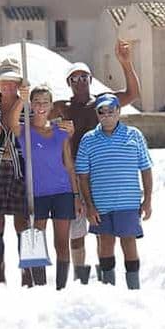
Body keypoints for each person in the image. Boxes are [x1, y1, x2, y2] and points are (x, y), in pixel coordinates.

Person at [49, 38, 140, 284]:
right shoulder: (62, 106)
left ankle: (105, 276)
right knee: (77, 230)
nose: (80, 82)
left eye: (84, 77)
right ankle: (81, 277)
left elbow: (132, 94)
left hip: (100, 177)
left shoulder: (102, 102)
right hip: (72, 176)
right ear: (68, 83)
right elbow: (34, 115)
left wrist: (126, 63)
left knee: (103, 230)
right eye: (74, 79)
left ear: (90, 80)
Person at [75, 93, 153, 290]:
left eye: (111, 110)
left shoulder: (134, 135)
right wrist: (89, 206)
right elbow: (82, 176)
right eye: (102, 111)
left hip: (128, 203)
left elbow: (146, 169)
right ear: (97, 114)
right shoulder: (88, 140)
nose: (107, 114)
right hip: (100, 205)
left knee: (129, 245)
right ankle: (109, 291)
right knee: (106, 245)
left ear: (119, 111)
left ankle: (133, 290)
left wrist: (148, 200)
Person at [9, 84, 82, 290]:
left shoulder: (61, 131)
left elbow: (68, 164)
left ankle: (61, 288)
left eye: (45, 102)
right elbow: (11, 121)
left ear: (51, 105)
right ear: (31, 105)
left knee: (61, 242)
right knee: (38, 240)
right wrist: (20, 100)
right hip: (37, 194)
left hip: (63, 192)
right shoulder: (25, 131)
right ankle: (40, 286)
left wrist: (76, 194)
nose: (41, 106)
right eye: (37, 102)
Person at [0, 58, 30, 286]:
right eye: (4, 83)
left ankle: (26, 274)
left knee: (22, 221)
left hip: (21, 166)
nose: (8, 87)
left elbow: (21, 131)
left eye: (13, 83)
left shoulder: (28, 105)